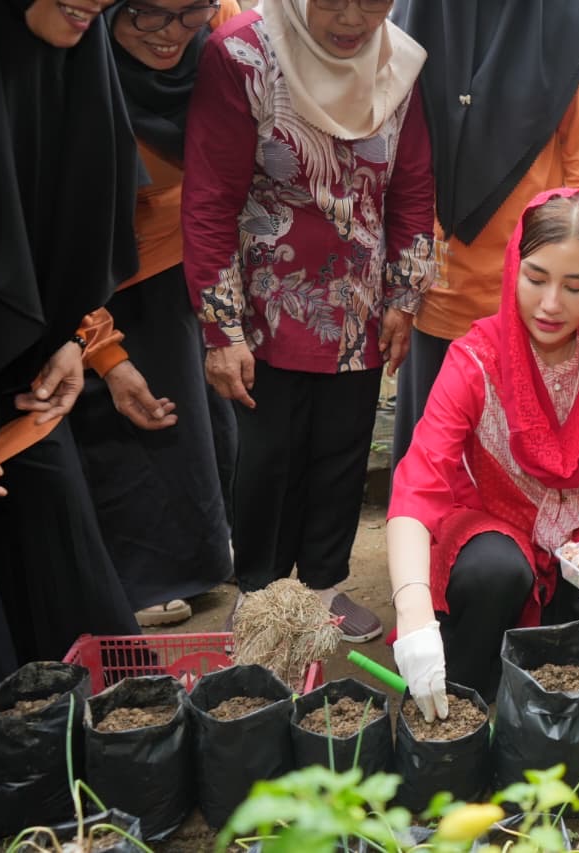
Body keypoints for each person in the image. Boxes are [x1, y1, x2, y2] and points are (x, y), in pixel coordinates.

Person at [183, 0, 433, 642]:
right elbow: (210, 202)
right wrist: (222, 331)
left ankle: (323, 585)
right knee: (267, 456)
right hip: (265, 307)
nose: (352, 18)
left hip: (359, 307)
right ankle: (261, 593)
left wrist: (404, 296)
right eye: (331, 1)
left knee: (343, 450)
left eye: (372, 1)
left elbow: (411, 186)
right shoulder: (242, 56)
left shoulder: (399, 65)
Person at [388, 189, 579, 716]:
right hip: (498, 523)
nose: (550, 305)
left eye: (575, 286)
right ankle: (463, 703)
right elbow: (419, 486)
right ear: (512, 270)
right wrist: (412, 616)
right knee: (493, 571)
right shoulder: (477, 356)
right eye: (536, 278)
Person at [0, 0, 149, 674]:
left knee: (84, 617)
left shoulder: (81, 45)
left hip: (21, 389)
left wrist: (77, 337)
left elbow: (87, 209)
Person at [67, 0, 244, 629]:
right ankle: (147, 575)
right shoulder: (71, 69)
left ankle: (204, 555)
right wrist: (105, 351)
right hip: (101, 279)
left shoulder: (222, 44)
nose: (171, 35)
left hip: (198, 265)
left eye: (191, 12)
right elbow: (48, 232)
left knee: (202, 424)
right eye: (148, 17)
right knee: (129, 433)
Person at [388, 0, 579, 469]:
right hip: (433, 285)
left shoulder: (568, 23)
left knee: (511, 473)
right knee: (428, 465)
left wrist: (569, 289)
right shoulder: (416, 11)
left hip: (530, 295)